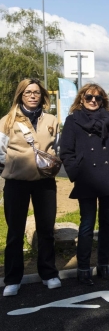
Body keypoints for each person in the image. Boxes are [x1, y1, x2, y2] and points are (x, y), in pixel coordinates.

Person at [60, 83, 109, 286]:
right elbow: (66, 152)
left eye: (97, 98)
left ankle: (104, 266)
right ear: (81, 98)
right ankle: (83, 269)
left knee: (106, 225)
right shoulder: (73, 120)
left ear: (102, 101)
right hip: (86, 179)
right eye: (89, 97)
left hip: (108, 178)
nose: (93, 101)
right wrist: (77, 172)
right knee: (87, 225)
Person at [0, 79, 61, 296]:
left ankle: (48, 273)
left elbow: (57, 146)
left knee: (46, 230)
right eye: (28, 92)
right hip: (16, 183)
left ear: (42, 95)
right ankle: (13, 279)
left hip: (44, 183)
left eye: (36, 92)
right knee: (15, 232)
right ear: (20, 95)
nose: (33, 95)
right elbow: (0, 152)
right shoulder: (6, 121)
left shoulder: (52, 120)